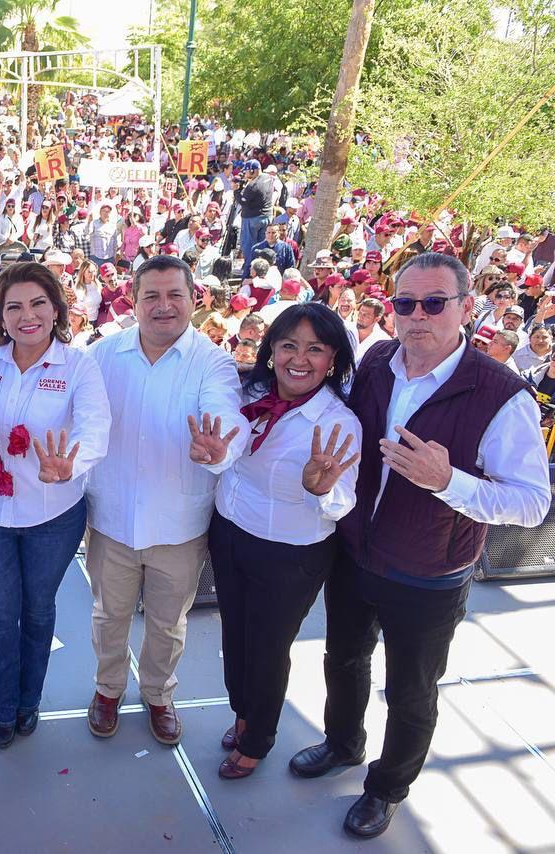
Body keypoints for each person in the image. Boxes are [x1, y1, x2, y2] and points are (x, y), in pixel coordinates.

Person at [290, 253, 552, 839]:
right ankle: (342, 743)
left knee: (411, 690)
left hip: (431, 573)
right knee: (343, 661)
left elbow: (533, 503)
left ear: (465, 307)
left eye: (434, 303)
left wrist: (447, 481)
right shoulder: (378, 360)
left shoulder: (502, 396)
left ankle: (386, 788)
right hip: (357, 555)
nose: (416, 316)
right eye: (404, 303)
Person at [85, 254, 247, 745]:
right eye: (151, 296)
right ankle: (108, 689)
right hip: (111, 519)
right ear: (132, 302)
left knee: (169, 623)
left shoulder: (213, 361)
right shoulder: (101, 356)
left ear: (194, 299)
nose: (163, 306)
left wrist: (221, 447)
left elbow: (225, 415)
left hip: (179, 525)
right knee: (107, 615)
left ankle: (158, 695)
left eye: (175, 294)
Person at [0, 262, 111, 748]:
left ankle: (28, 703)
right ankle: (2, 707)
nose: (27, 316)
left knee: (38, 611)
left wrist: (71, 463)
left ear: (57, 309)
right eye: (14, 306)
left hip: (52, 516)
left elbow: (94, 427)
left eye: (39, 303)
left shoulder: (79, 365)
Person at [207, 303, 361, 779]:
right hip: (230, 532)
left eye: (315, 349)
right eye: (289, 344)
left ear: (332, 358)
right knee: (233, 634)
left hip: (289, 553)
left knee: (268, 647)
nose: (300, 358)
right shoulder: (249, 392)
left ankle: (259, 737)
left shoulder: (337, 423)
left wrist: (321, 486)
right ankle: (243, 712)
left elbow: (341, 504)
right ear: (271, 349)